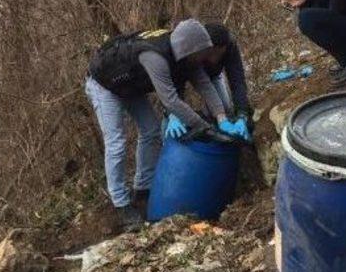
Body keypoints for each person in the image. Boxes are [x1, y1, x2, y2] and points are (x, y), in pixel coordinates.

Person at [85, 19, 250, 231]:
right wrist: (203, 127)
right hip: (104, 84)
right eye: (201, 54)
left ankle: (142, 189)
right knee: (116, 141)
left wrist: (222, 119)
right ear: (191, 50)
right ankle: (121, 205)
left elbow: (205, 85)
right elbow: (170, 100)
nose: (205, 60)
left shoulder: (187, 55)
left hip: (129, 85)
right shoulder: (155, 58)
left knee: (151, 131)